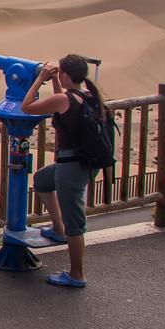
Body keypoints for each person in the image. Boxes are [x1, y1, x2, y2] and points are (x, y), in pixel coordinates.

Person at [21, 54, 106, 288]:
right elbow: (62, 102)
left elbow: (27, 107)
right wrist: (56, 80)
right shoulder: (88, 96)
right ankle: (58, 230)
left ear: (67, 75)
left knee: (75, 224)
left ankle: (76, 274)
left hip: (71, 168)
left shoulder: (66, 100)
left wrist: (39, 80)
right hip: (81, 164)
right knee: (41, 180)